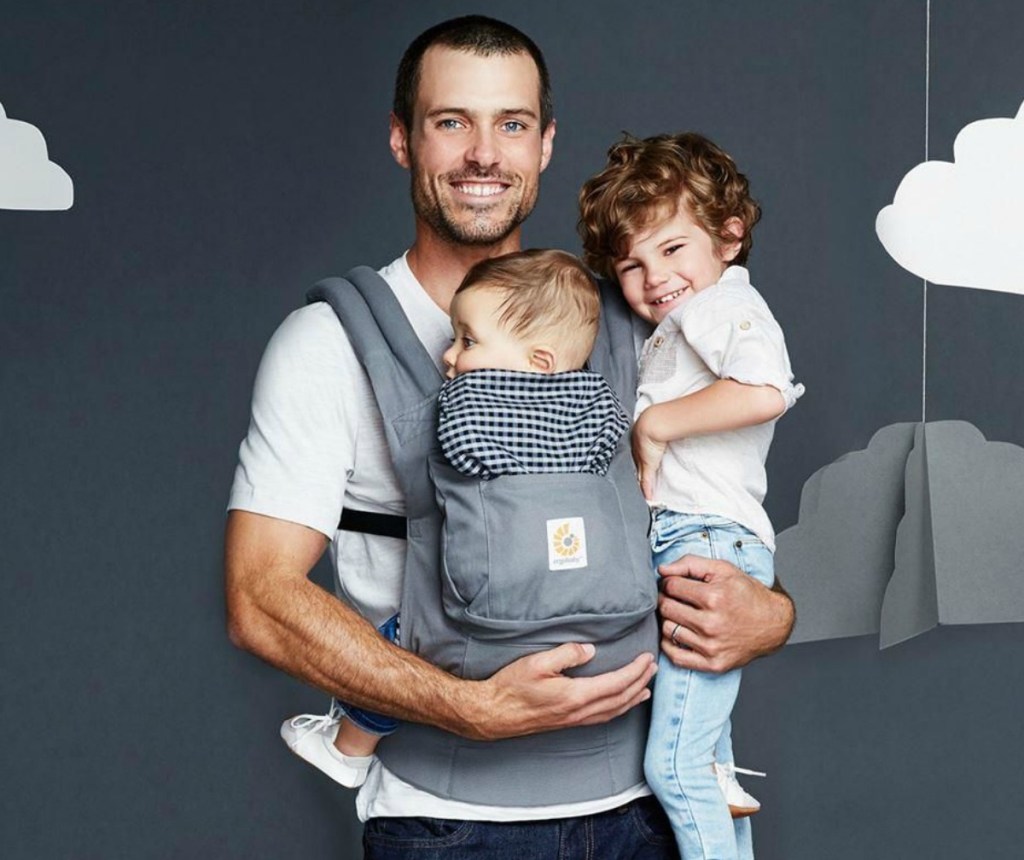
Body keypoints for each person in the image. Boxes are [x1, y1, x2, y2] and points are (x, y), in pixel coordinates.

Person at [224, 15, 794, 859]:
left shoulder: (635, 316)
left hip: (647, 813)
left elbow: (720, 510)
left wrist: (769, 616)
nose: (484, 154)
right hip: (449, 825)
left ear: (545, 143)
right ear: (401, 140)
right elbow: (260, 599)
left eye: (512, 125)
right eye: (452, 121)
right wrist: (467, 708)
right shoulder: (330, 343)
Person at [281, 248, 652, 787]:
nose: (450, 357)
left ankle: (349, 748)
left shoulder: (469, 404)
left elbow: (460, 452)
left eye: (468, 341)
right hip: (595, 616)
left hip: (484, 615)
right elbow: (604, 457)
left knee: (396, 644)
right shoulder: (599, 400)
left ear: (539, 360)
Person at [578, 132, 804, 859]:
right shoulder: (684, 319)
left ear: (729, 238)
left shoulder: (719, 309)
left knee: (672, 766)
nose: (654, 277)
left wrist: (656, 423)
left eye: (673, 249)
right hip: (697, 537)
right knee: (707, 765)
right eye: (632, 263)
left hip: (705, 540)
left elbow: (767, 390)